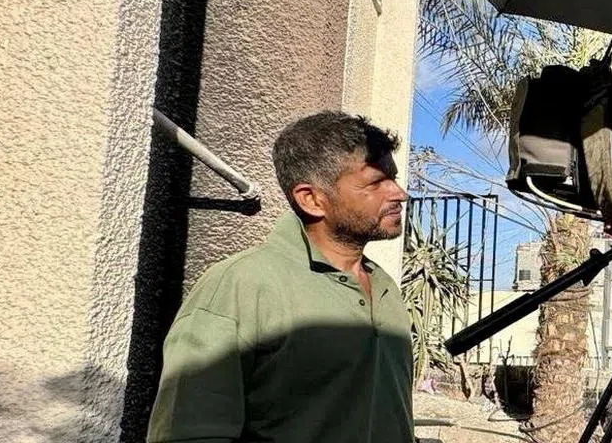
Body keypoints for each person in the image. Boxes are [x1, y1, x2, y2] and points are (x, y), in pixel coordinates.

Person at [147, 111, 413, 443]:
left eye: (393, 177)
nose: (399, 193)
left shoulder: (385, 288)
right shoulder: (242, 285)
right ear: (312, 199)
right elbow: (188, 432)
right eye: (376, 182)